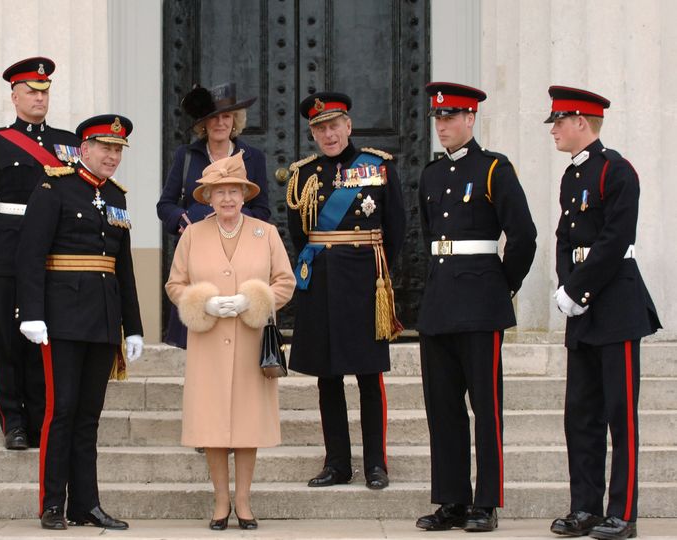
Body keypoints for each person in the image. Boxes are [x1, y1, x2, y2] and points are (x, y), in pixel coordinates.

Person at [413, 82, 537, 533]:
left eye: (450, 117)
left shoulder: (494, 170)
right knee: (441, 408)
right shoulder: (429, 174)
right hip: (440, 302)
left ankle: (486, 501)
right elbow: (429, 238)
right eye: (437, 118)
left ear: (470, 119)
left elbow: (523, 236)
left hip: (481, 303)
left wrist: (501, 286)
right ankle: (452, 500)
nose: (442, 125)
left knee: (485, 407)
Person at [16, 114, 144, 531]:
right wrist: (32, 313)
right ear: (83, 149)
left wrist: (134, 325)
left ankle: (85, 504)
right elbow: (30, 255)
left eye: (118, 150)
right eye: (105, 148)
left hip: (103, 318)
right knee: (62, 410)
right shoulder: (54, 187)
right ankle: (53, 502)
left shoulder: (118, 197)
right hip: (62, 317)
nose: (112, 156)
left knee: (89, 414)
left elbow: (121, 266)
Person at [545, 86, 660, 540]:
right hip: (582, 307)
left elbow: (615, 241)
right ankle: (585, 508)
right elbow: (563, 237)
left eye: (559, 121)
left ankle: (623, 513)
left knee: (619, 412)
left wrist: (578, 289)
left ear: (582, 122)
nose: (553, 130)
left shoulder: (618, 171)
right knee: (581, 412)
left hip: (614, 305)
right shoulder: (571, 177)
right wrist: (563, 285)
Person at [165, 152, 295, 530]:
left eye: (233, 191)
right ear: (207, 196)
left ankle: (244, 502)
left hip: (252, 341)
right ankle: (221, 502)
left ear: (244, 194)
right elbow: (175, 284)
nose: (227, 199)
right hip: (208, 342)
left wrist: (252, 300)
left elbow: (284, 282)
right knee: (213, 424)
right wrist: (201, 301)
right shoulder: (193, 233)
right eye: (218, 192)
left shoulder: (264, 232)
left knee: (247, 424)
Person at [286, 92, 406, 491]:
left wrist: (380, 277)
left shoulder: (379, 166)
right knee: (328, 378)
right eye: (320, 128)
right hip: (321, 287)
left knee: (369, 377)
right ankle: (337, 462)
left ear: (349, 126)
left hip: (365, 284)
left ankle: (376, 463)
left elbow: (397, 231)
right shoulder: (303, 175)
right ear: (313, 134)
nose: (328, 134)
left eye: (334, 125)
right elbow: (300, 235)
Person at [0, 56, 80, 450]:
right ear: (14, 97)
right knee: (11, 337)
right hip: (11, 248)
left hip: (57, 251)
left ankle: (42, 417)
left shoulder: (68, 144)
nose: (39, 98)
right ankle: (13, 419)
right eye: (31, 92)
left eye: (44, 91)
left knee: (48, 336)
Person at [157, 82, 271, 349]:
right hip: (198, 258)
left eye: (226, 116)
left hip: (240, 257)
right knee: (200, 338)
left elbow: (263, 210)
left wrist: (239, 221)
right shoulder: (186, 156)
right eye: (213, 117)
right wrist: (181, 219)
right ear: (203, 123)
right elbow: (165, 205)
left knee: (238, 337)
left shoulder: (253, 157)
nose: (220, 123)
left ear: (235, 121)